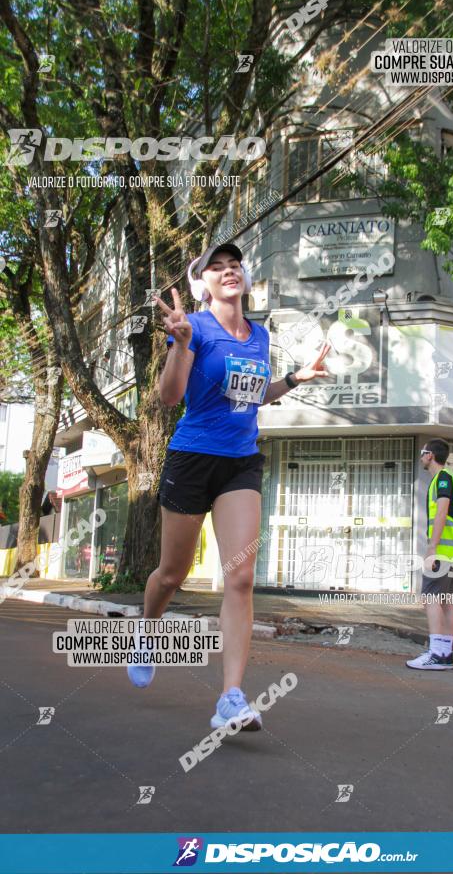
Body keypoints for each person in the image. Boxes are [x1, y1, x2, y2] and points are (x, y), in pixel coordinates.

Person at [128, 242, 330, 732]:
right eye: (216, 269)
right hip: (192, 459)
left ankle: (231, 698)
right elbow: (169, 396)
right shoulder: (194, 327)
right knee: (171, 574)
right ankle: (146, 629)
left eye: (233, 265)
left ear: (244, 276)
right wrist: (178, 343)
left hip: (240, 463)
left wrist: (296, 378)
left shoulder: (259, 336)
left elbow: (255, 394)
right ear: (205, 286)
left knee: (239, 576)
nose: (227, 272)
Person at [406, 438, 453, 671]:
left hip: (444, 552)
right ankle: (445, 654)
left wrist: (432, 547)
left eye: (422, 452)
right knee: (447, 602)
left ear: (430, 455)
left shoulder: (443, 479)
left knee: (431, 599)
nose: (420, 456)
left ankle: (436, 654)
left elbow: (442, 511)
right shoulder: (450, 479)